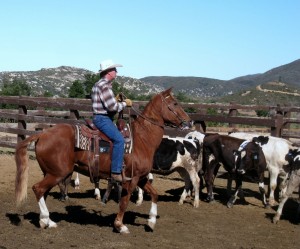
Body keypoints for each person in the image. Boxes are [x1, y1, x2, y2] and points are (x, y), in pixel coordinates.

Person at [91, 59, 132, 182]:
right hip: (103, 119)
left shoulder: (98, 84)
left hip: (99, 117)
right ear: (108, 72)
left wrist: (115, 99)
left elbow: (107, 103)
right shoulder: (105, 86)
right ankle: (115, 172)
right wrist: (125, 103)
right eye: (114, 70)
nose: (116, 72)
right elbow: (112, 107)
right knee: (119, 140)